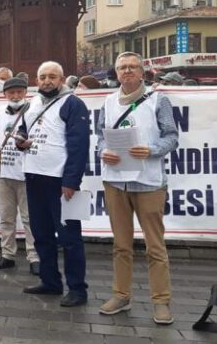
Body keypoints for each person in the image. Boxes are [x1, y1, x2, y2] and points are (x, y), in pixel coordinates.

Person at [96, 52, 178, 325]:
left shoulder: (158, 99)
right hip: (116, 180)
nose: (127, 71)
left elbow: (172, 137)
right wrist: (102, 151)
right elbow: (99, 137)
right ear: (116, 73)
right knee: (121, 245)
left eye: (133, 67)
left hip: (149, 181)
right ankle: (121, 295)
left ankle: (161, 301)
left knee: (155, 246)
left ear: (142, 72)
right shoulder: (107, 101)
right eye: (122, 68)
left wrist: (152, 150)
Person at [16, 61, 90, 307]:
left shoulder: (73, 103)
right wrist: (21, 141)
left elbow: (79, 147)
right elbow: (24, 133)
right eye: (42, 76)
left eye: (52, 76)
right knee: (41, 234)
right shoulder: (31, 103)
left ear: (62, 79)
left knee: (70, 237)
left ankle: (78, 289)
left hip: (62, 181)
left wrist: (71, 181)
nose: (46, 81)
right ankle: (50, 281)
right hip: (34, 176)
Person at [0, 78, 39, 275]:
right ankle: (7, 254)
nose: (15, 96)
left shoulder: (33, 111)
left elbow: (39, 138)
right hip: (3, 172)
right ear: (5, 94)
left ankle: (34, 256)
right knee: (6, 217)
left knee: (29, 218)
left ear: (25, 92)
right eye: (11, 93)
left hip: (25, 172)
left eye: (19, 92)